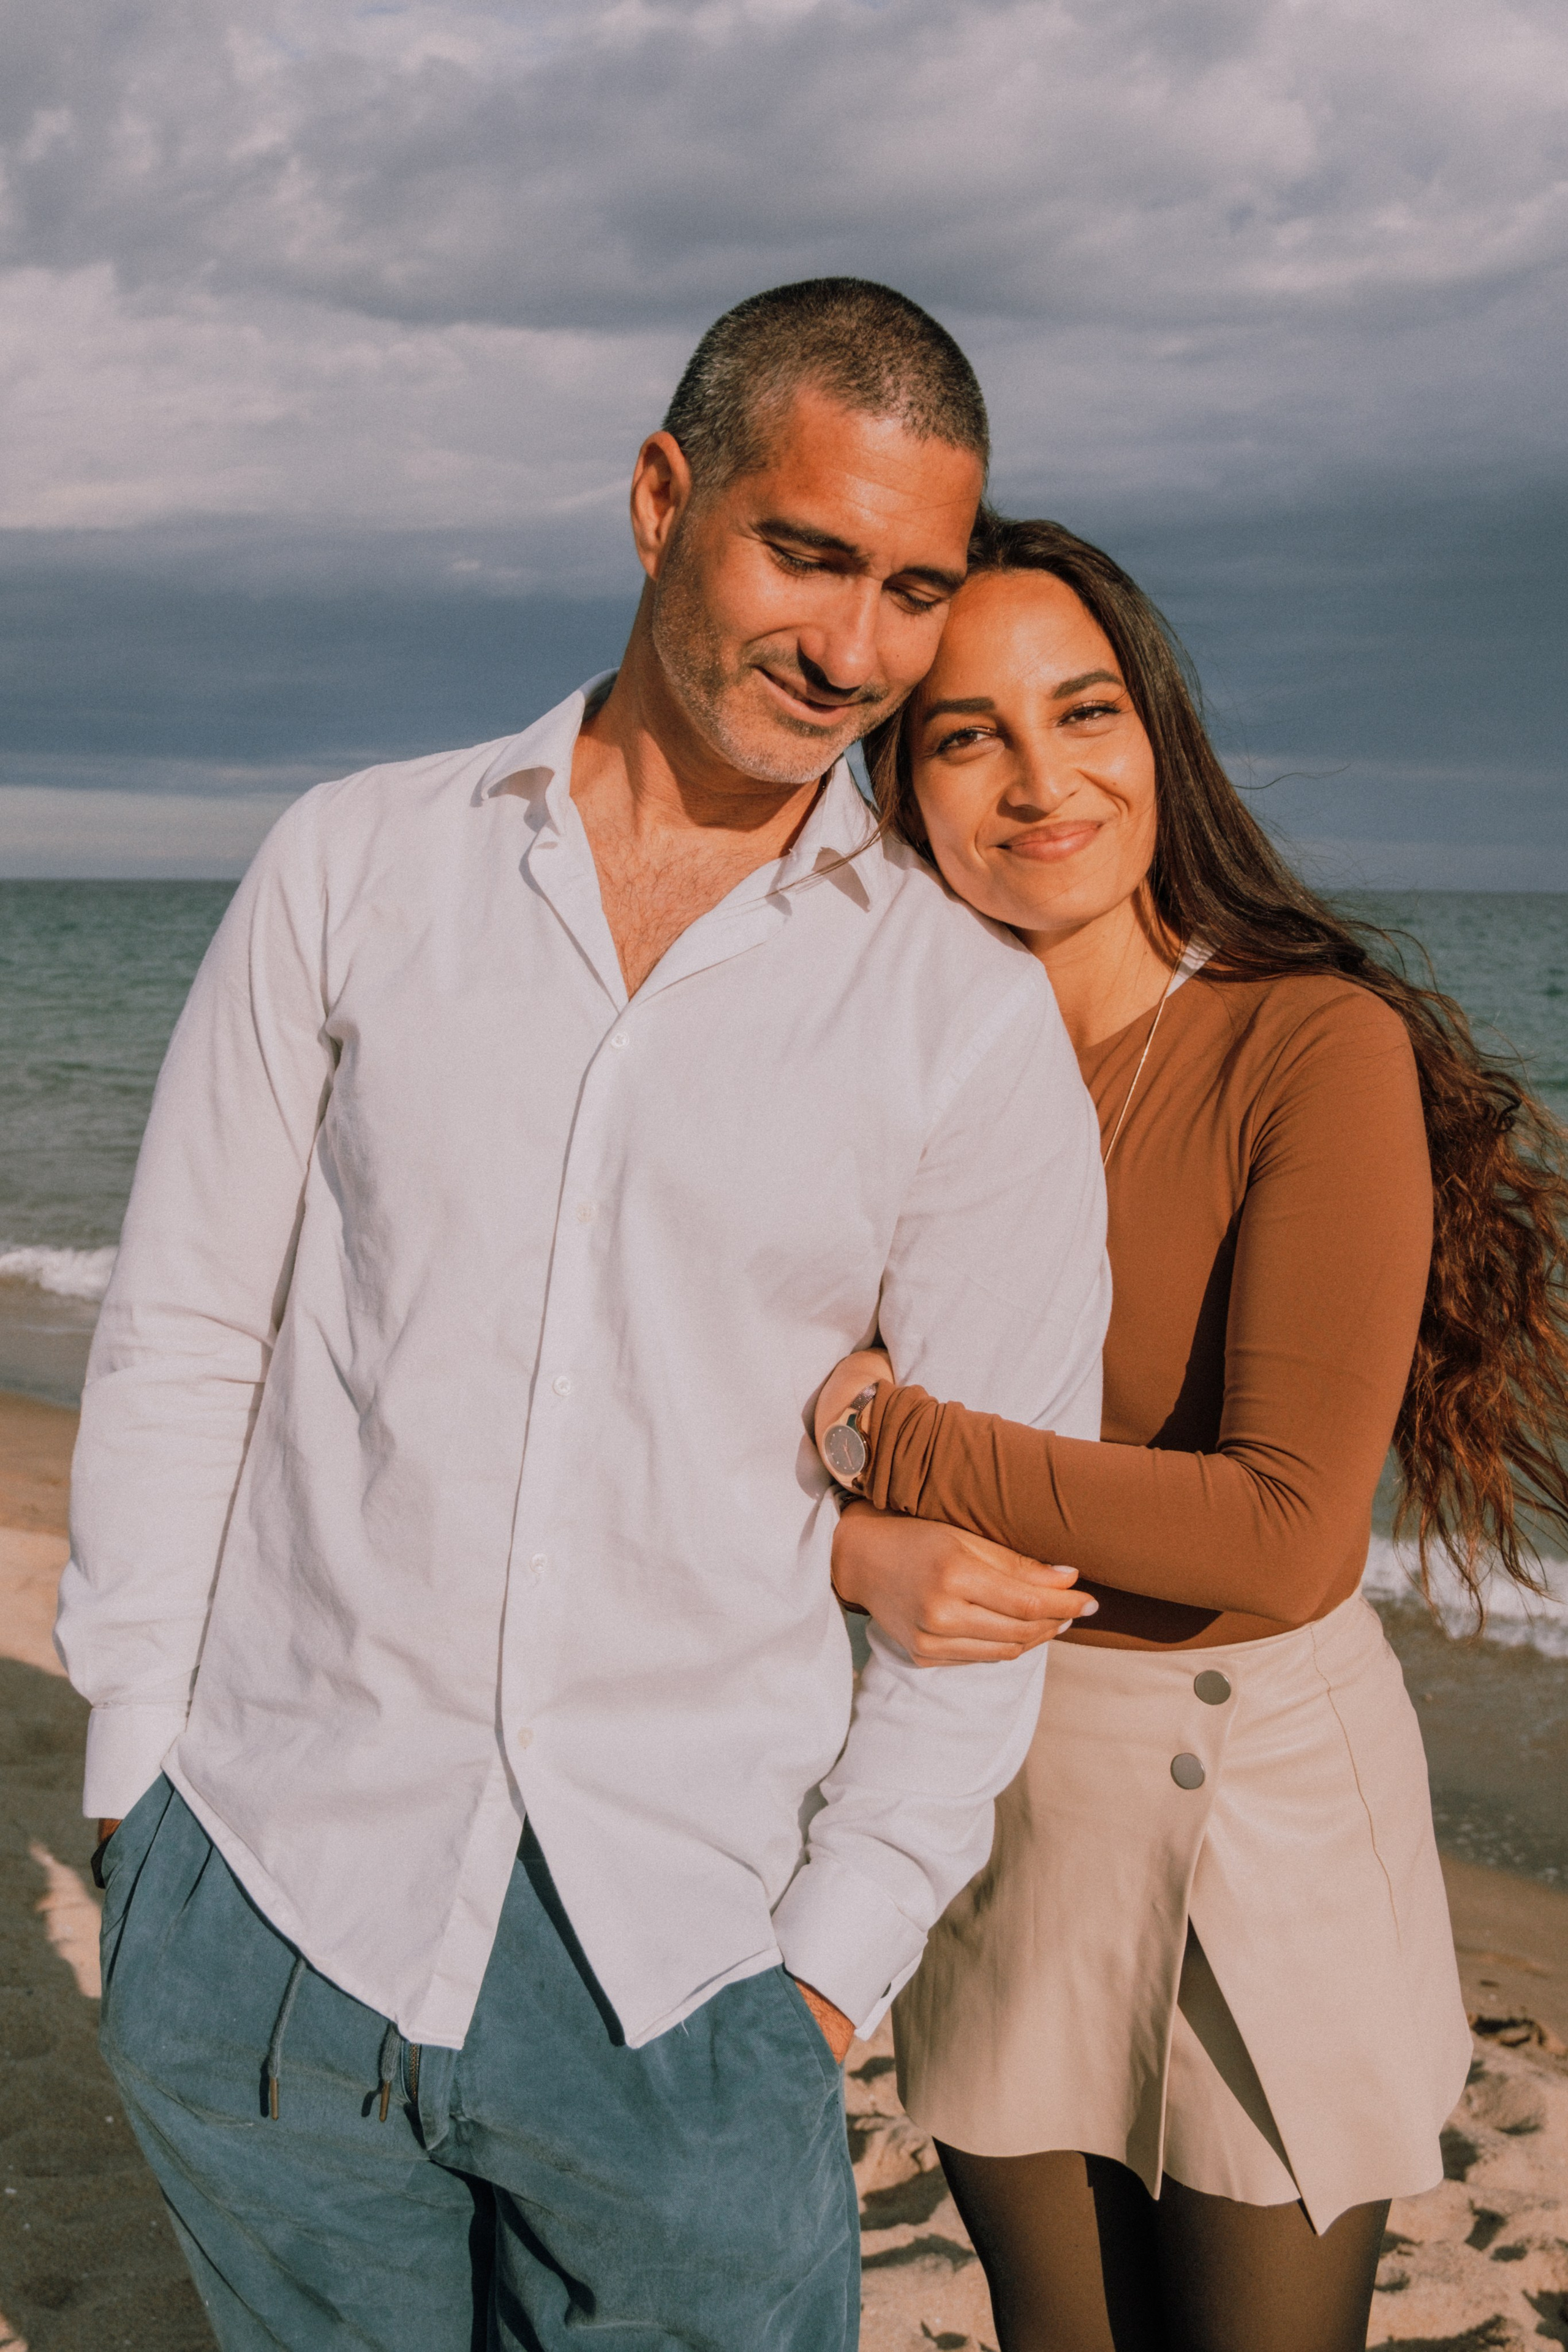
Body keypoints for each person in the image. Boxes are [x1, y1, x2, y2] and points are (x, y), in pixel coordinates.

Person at [55, 288, 1112, 2352]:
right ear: (659, 498)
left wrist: (828, 1968)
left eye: (914, 591)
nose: (856, 650)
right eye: (807, 554)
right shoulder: (355, 863)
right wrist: (138, 1798)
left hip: (690, 1981)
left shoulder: (961, 1021)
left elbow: (991, 1557)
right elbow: (189, 1328)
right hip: (270, 1896)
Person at [815, 511, 1568, 2352]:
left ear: (1158, 733)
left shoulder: (1308, 1046)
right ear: (900, 786)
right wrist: (851, 1541)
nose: (1042, 780)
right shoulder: (879, 1080)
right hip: (995, 1791)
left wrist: (885, 1438)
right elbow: (696, 1428)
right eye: (968, 735)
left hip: (1257, 1811)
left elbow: (1285, 1537)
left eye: (1086, 712)